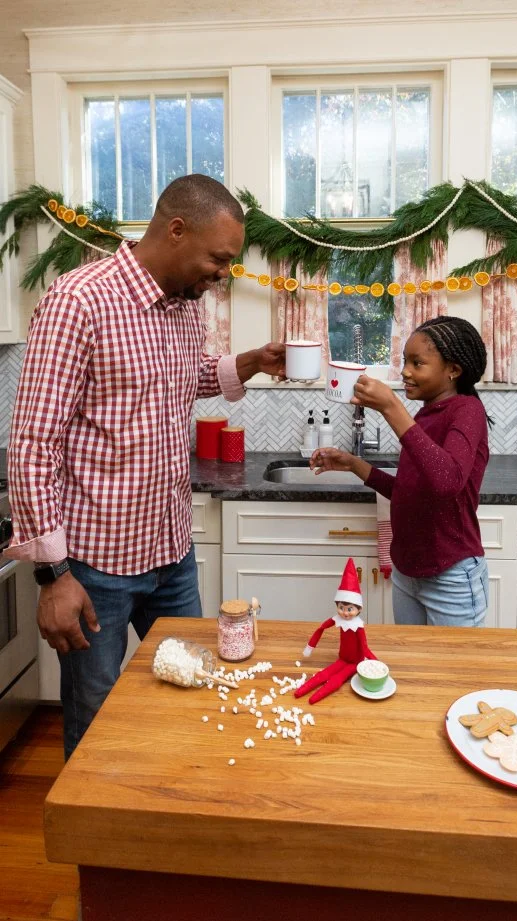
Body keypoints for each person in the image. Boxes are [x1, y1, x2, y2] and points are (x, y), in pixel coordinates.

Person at [4, 174, 285, 759]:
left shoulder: (184, 306)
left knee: (194, 694)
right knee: (101, 723)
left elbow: (186, 378)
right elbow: (33, 442)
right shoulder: (78, 301)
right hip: (95, 567)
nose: (223, 273)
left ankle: (175, 822)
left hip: (171, 555)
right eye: (219, 258)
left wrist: (252, 361)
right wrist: (54, 576)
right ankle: (103, 845)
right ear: (176, 230)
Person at [311, 316, 491, 628]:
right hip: (407, 574)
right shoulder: (424, 416)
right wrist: (356, 465)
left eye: (417, 363)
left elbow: (446, 482)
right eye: (405, 361)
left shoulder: (467, 411)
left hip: (451, 578)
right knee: (412, 669)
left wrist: (391, 407)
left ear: (453, 370)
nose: (405, 371)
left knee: (453, 676)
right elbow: (410, 492)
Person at [295, 557, 376, 704]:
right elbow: (322, 628)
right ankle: (300, 691)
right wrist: (310, 646)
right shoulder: (337, 620)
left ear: (359, 609)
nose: (345, 613)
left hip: (355, 662)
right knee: (325, 673)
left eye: (350, 609)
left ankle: (314, 698)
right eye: (341, 608)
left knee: (338, 679)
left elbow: (364, 647)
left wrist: (374, 662)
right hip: (342, 658)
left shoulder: (358, 626)